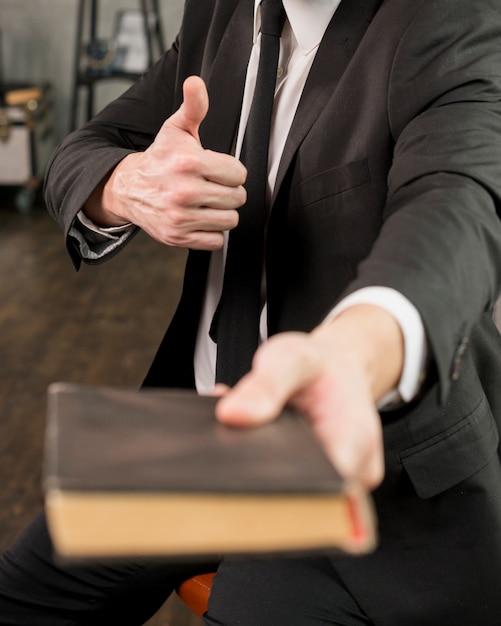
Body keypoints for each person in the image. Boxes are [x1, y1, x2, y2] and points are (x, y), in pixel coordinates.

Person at [2, 0, 501, 624]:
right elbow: (84, 148)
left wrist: (350, 356)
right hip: (202, 438)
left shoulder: (446, 19)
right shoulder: (221, 10)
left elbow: (459, 208)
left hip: (363, 488)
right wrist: (128, 184)